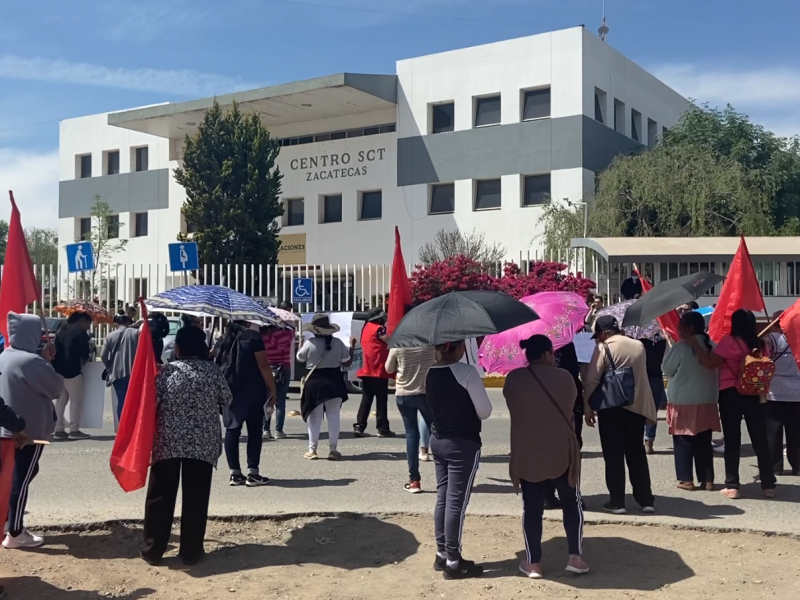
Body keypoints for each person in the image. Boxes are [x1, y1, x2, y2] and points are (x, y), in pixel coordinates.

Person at [141, 327, 232, 566]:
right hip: (202, 445)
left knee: (160, 497)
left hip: (167, 443)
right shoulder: (213, 372)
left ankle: (153, 550)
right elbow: (227, 399)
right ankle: (191, 552)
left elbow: (151, 402)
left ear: (178, 349)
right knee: (196, 498)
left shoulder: (166, 372)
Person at [504, 335, 588, 579]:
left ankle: (533, 563)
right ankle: (576, 557)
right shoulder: (564, 377)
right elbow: (571, 404)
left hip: (528, 451)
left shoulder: (514, 379)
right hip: (562, 449)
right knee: (571, 503)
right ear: (547, 354)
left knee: (532, 508)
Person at [688, 309, 777, 499]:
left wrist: (696, 345)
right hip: (755, 393)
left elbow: (711, 363)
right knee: (760, 439)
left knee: (732, 439)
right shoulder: (761, 343)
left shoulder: (729, 342)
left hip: (731, 393)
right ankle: (768, 485)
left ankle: (732, 485)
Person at [426, 340, 492, 580]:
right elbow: (484, 411)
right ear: (458, 348)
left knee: (443, 497)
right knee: (456, 503)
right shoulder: (466, 373)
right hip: (462, 442)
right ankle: (453, 561)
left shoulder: (429, 371)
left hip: (438, 438)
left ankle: (442, 552)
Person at [0, 312, 64, 549]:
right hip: (29, 432)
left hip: (8, 430)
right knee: (21, 480)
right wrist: (47, 361)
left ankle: (8, 522)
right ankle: (15, 532)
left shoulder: (5, 356)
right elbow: (56, 388)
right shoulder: (30, 361)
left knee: (16, 477)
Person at [583, 315, 657, 514]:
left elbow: (592, 380)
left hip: (611, 408)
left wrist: (587, 406)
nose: (598, 338)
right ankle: (646, 500)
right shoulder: (638, 346)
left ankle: (617, 502)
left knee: (613, 455)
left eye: (598, 334)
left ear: (604, 332)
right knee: (637, 454)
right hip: (636, 408)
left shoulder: (603, 348)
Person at [662, 311, 721, 491]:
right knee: (704, 440)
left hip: (683, 400)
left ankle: (686, 479)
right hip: (707, 399)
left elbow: (667, 369)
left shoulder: (681, 347)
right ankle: (707, 479)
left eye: (680, 327)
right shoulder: (712, 344)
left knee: (683, 440)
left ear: (688, 328)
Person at [217, 321, 278, 487]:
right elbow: (264, 365)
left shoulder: (223, 339)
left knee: (232, 431)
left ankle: (235, 474)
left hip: (230, 391)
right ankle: (253, 473)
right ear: (246, 320)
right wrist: (273, 390)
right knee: (255, 432)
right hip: (253, 391)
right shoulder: (252, 337)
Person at [297, 314, 355, 460]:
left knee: (315, 417)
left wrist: (300, 344)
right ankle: (333, 450)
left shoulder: (309, 343)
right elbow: (347, 363)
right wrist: (352, 347)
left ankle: (312, 450)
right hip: (334, 382)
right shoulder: (338, 343)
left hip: (315, 383)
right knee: (334, 416)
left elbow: (300, 358)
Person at [386, 343, 436, 493]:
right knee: (436, 430)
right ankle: (447, 476)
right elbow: (439, 361)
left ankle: (414, 481)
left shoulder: (398, 346)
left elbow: (388, 368)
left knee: (411, 434)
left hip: (404, 393)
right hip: (426, 392)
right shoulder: (430, 346)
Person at [763, 312, 800, 476]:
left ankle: (775, 466)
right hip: (797, 392)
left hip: (775, 391)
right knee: (796, 432)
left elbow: (761, 358)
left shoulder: (770, 339)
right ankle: (798, 465)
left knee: (773, 432)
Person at [52, 311, 92, 440]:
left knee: (61, 400)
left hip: (58, 370)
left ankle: (59, 428)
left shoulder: (61, 329)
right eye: (88, 323)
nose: (88, 326)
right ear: (82, 321)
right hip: (73, 370)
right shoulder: (79, 332)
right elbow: (85, 353)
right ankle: (74, 429)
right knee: (76, 400)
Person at [354, 308, 394, 437]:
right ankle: (383, 428)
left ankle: (360, 426)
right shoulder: (379, 329)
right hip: (378, 369)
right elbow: (389, 341)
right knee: (381, 400)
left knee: (366, 399)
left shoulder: (366, 328)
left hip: (366, 369)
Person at [261, 323, 295, 440]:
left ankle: (265, 430)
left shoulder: (263, 335)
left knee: (267, 399)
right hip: (283, 367)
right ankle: (278, 430)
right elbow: (293, 333)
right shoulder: (287, 333)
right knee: (280, 401)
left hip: (268, 368)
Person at [102, 313, 136, 420]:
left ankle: (122, 427)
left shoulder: (110, 336)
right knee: (134, 401)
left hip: (117, 374)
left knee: (122, 401)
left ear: (116, 323)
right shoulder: (136, 333)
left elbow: (103, 355)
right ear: (127, 321)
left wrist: (109, 365)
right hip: (134, 372)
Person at [641, 335, 668, 454]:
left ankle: (640, 440)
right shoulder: (662, 340)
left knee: (638, 410)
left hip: (640, 376)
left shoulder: (638, 341)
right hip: (656, 376)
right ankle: (649, 442)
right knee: (652, 411)